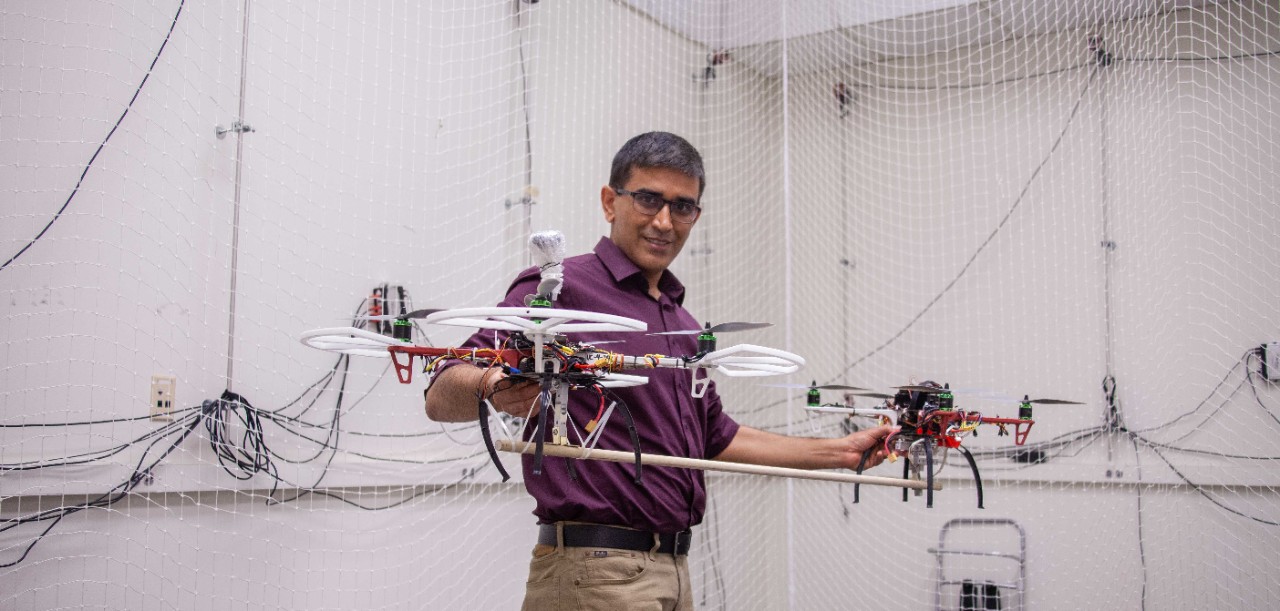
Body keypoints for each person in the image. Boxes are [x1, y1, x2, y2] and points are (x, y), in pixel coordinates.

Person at [424, 131, 891, 610]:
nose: (664, 222)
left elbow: (717, 438)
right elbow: (441, 391)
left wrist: (840, 452)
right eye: (649, 200)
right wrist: (495, 386)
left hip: (674, 569)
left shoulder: (682, 325)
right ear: (610, 202)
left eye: (682, 206)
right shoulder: (562, 292)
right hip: (596, 571)